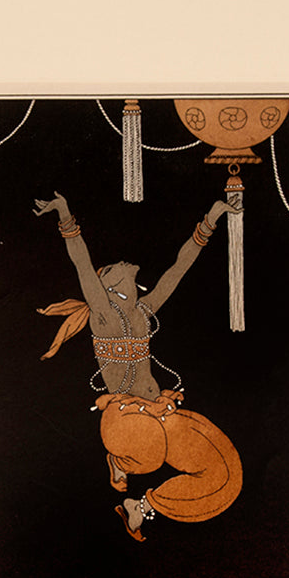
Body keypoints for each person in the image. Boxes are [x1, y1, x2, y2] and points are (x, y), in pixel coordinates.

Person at [34, 191, 243, 541]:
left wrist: (212, 217)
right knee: (152, 454)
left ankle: (139, 505)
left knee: (223, 472)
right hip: (127, 420)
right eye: (112, 268)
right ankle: (122, 463)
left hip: (159, 413)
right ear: (106, 286)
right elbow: (82, 262)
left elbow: (178, 269)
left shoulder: (143, 312)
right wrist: (64, 212)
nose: (123, 263)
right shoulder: (103, 315)